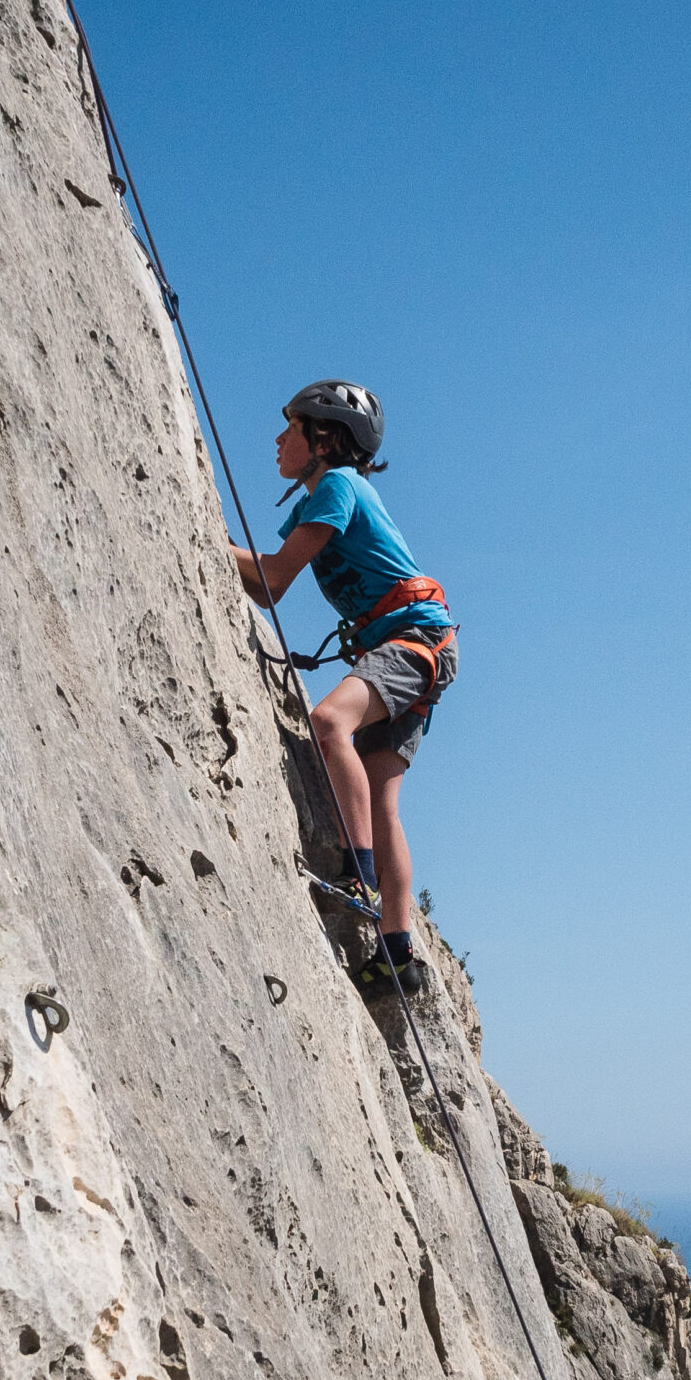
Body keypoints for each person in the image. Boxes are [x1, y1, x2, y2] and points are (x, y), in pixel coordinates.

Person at [231, 380, 457, 997]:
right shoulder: (326, 496)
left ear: (325, 439)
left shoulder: (337, 485)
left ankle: (358, 876)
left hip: (410, 640)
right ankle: (397, 953)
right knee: (382, 803)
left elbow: (274, 577)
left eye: (292, 428)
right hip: (424, 644)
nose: (279, 439)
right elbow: (270, 585)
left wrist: (204, 536)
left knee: (330, 722)